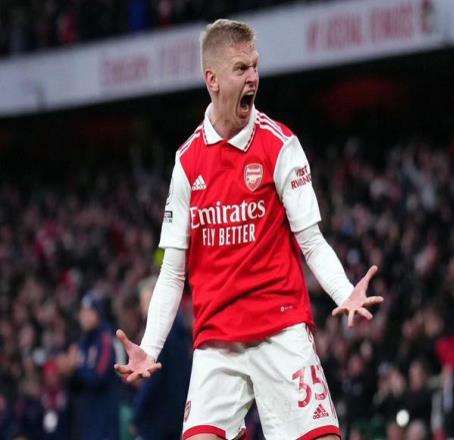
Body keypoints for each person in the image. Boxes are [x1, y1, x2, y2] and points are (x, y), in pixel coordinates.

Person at [115, 18, 383, 440]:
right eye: (241, 69)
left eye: (255, 66)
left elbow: (312, 242)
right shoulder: (187, 162)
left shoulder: (280, 145)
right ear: (213, 79)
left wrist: (344, 291)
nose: (253, 77)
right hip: (216, 342)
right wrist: (149, 347)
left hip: (281, 330)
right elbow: (172, 271)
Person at [130, 276, 191, 440]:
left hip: (156, 420)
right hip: (176, 417)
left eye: (147, 302)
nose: (144, 308)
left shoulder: (159, 338)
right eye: (143, 303)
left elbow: (152, 380)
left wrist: (137, 415)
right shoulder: (180, 330)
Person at [58, 291, 119, 440]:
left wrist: (75, 369)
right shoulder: (83, 339)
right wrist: (68, 372)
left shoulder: (106, 338)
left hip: (104, 415)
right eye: (82, 311)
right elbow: (76, 384)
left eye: (89, 311)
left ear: (98, 313)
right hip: (86, 417)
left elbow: (99, 376)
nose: (83, 316)